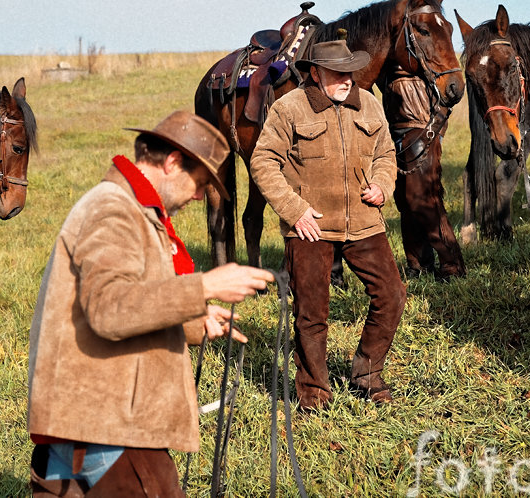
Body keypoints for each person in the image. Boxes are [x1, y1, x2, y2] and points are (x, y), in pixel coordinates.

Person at [27, 110, 273, 497]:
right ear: (173, 162)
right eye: (199, 182)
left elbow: (133, 297)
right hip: (111, 425)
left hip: (83, 424)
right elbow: (109, 308)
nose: (197, 195)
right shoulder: (114, 209)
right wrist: (204, 285)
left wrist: (196, 319)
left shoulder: (131, 208)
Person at [250, 39, 407, 413]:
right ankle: (314, 393)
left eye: (351, 72)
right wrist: (294, 209)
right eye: (338, 73)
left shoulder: (369, 102)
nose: (347, 80)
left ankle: (367, 374)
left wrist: (383, 185)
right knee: (311, 311)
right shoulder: (290, 108)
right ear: (316, 73)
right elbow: (263, 161)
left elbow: (386, 152)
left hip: (366, 222)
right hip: (311, 225)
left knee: (392, 296)